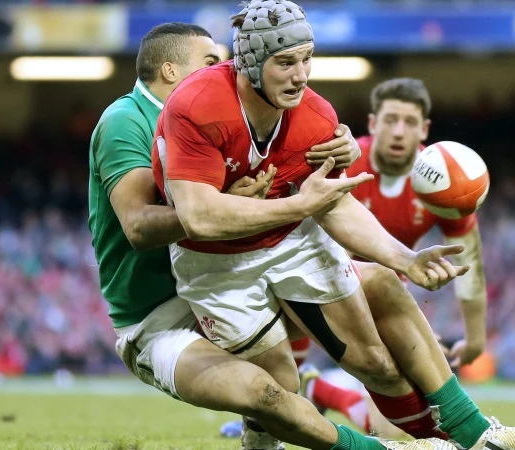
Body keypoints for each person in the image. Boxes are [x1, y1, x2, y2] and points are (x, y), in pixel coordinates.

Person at [154, 2, 515, 450]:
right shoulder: (196, 104)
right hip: (215, 264)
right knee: (278, 390)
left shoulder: (315, 116)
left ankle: (479, 438)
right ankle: (265, 435)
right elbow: (198, 218)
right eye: (285, 63)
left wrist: (405, 259)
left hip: (291, 241)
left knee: (377, 364)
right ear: (249, 63)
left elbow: (334, 206)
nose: (301, 74)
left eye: (307, 58)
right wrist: (298, 206)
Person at [87, 22, 444, 450]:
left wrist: (344, 143)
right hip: (160, 316)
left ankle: (464, 430)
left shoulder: (224, 114)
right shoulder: (128, 120)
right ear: (169, 71)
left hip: (230, 271)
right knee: (270, 393)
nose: (223, 70)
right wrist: (218, 206)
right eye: (210, 61)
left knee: (379, 284)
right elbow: (140, 226)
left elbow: (290, 154)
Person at [295, 78, 491, 438]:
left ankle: (318, 390)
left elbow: (471, 262)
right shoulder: (343, 164)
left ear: (425, 129)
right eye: (390, 120)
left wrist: (476, 338)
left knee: (395, 433)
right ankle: (287, 396)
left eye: (410, 122)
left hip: (384, 299)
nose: (399, 132)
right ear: (372, 124)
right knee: (281, 379)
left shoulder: (446, 179)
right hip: (316, 283)